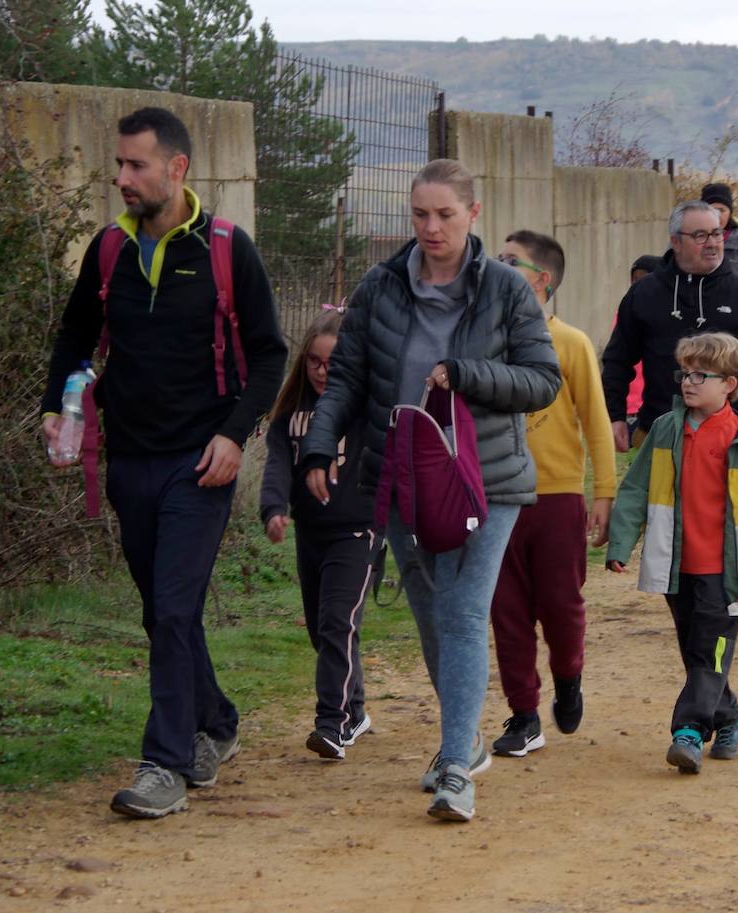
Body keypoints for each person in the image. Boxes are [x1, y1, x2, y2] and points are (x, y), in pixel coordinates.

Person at [41, 107, 287, 818]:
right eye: (119, 165)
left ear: (176, 169)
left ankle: (166, 764)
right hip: (129, 460)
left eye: (136, 165)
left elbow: (271, 353)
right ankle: (217, 719)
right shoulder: (109, 251)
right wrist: (56, 406)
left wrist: (237, 435)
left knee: (176, 608)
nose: (122, 177)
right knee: (161, 612)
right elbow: (74, 338)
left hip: (199, 464)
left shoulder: (225, 249)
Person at [301, 159, 560, 822]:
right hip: (401, 482)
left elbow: (541, 381)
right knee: (429, 614)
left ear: (473, 214)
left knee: (464, 612)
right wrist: (317, 445)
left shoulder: (506, 290)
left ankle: (453, 769)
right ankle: (465, 739)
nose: (431, 227)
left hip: (486, 481)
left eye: (445, 214)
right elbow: (347, 380)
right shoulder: (380, 286)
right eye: (420, 214)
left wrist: (468, 374)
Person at [606, 332, 738, 774]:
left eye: (703, 374)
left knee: (710, 656)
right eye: (685, 372)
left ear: (730, 385)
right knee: (698, 655)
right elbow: (636, 489)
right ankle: (729, 716)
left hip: (727, 576)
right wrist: (621, 543)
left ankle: (688, 733)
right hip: (676, 570)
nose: (689, 381)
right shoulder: (664, 430)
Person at [488, 230, 616, 758]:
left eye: (510, 261)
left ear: (542, 280)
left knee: (561, 605)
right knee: (506, 609)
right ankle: (523, 714)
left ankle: (568, 676)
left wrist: (603, 493)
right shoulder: (486, 338)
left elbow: (597, 422)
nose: (498, 265)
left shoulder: (572, 343)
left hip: (558, 497)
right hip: (497, 496)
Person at [260, 306, 375, 762]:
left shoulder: (364, 407)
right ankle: (357, 709)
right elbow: (275, 468)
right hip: (311, 534)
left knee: (337, 624)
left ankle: (332, 723)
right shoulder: (290, 415)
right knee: (325, 631)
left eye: (332, 362)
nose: (323, 371)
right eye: (314, 362)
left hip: (359, 531)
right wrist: (273, 509)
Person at [602, 200, 738, 453]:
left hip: (729, 436)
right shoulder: (644, 293)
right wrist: (614, 415)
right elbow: (618, 360)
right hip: (660, 432)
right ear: (675, 241)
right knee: (657, 495)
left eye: (717, 233)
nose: (712, 243)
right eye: (700, 235)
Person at [621, 254, 660, 427]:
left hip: (649, 400)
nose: (638, 285)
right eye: (634, 280)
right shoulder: (626, 312)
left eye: (643, 279)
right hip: (630, 402)